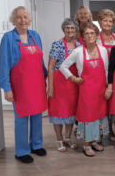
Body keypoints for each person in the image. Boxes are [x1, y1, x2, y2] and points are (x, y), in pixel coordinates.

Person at [0, 6, 48, 163]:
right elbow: (4, 64)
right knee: (21, 118)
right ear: (13, 20)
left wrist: (47, 79)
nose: (23, 20)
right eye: (19, 17)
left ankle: (36, 145)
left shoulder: (35, 36)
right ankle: (21, 151)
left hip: (38, 84)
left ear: (30, 19)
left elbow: (41, 61)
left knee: (37, 116)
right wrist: (7, 88)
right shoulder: (9, 37)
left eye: (25, 17)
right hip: (20, 86)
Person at [60, 23, 109, 157]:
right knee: (88, 117)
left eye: (92, 33)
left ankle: (93, 141)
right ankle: (86, 145)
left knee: (97, 116)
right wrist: (73, 78)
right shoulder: (77, 52)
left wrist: (108, 87)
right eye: (86, 34)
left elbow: (106, 70)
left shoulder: (103, 50)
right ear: (82, 37)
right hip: (87, 90)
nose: (90, 36)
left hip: (100, 89)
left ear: (97, 35)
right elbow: (63, 66)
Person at [47, 18, 81, 152]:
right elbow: (50, 67)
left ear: (76, 30)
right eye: (67, 27)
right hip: (59, 83)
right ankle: (59, 140)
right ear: (63, 29)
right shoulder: (57, 44)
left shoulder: (78, 46)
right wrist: (50, 87)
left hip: (74, 83)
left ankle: (68, 138)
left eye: (73, 28)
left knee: (71, 112)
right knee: (58, 113)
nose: (70, 30)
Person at [96, 9, 115, 141]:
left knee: (112, 104)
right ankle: (99, 131)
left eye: (110, 21)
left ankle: (110, 130)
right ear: (100, 22)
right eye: (105, 20)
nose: (108, 23)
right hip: (99, 75)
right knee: (100, 104)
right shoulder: (96, 38)